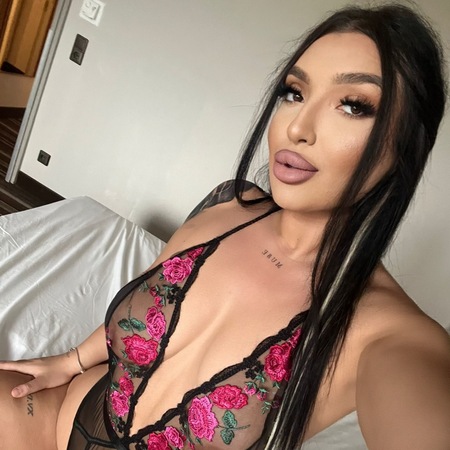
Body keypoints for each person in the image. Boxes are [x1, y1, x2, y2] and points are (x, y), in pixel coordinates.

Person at [0, 3, 449, 449]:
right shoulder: (228, 203)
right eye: (294, 93)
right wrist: (71, 361)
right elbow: (145, 311)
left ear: (407, 144)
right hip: (68, 410)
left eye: (352, 105)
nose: (297, 127)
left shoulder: (391, 335)